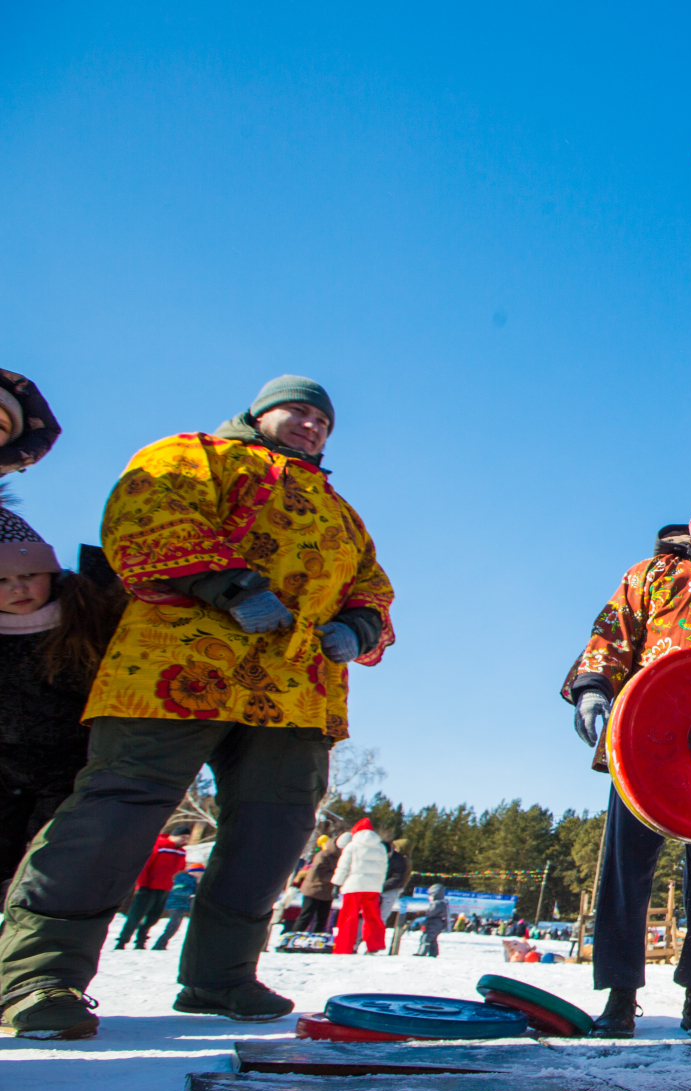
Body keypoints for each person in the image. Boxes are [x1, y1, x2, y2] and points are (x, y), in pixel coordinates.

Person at [0, 375, 395, 1040]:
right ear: (260, 413)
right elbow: (146, 513)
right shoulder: (195, 453)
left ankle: (222, 976)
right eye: (299, 412)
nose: (312, 426)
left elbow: (371, 583)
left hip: (295, 685)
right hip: (176, 663)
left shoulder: (340, 509)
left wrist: (359, 625)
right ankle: (39, 976)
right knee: (118, 810)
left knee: (275, 827)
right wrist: (227, 585)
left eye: (323, 421)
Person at [561, 492, 691, 1038]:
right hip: (647, 745)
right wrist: (593, 689)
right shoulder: (652, 575)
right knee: (627, 869)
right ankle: (620, 997)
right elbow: (611, 633)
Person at [0, 497, 125, 885]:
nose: (19, 588)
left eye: (29, 574)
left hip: (73, 768)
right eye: (2, 581)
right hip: (4, 771)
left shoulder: (90, 613)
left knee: (48, 870)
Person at [113, 830, 188, 949]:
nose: (185, 840)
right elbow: (145, 865)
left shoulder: (181, 852)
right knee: (136, 916)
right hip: (148, 887)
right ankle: (122, 941)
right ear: (173, 836)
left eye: (187, 837)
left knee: (153, 917)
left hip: (165, 888)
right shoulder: (159, 846)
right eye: (182, 837)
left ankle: (141, 941)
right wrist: (142, 884)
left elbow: (180, 870)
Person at [330, 819, 388, 955]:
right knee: (373, 915)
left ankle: (344, 946)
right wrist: (379, 884)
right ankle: (375, 944)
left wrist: (337, 883)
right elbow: (384, 868)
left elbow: (343, 867)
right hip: (373, 887)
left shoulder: (352, 846)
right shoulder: (381, 847)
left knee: (348, 916)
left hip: (354, 885)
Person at [289, 836, 339, 934]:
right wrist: (337, 877)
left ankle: (316, 938)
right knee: (306, 916)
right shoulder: (323, 855)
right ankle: (293, 937)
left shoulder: (340, 856)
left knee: (322, 919)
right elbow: (320, 873)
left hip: (327, 892)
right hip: (313, 889)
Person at [152, 861, 205, 951]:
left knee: (175, 926)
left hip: (182, 905)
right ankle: (159, 945)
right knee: (173, 925)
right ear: (192, 872)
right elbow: (177, 890)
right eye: (198, 872)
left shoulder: (194, 881)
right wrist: (191, 894)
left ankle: (161, 944)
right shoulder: (183, 878)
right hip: (176, 904)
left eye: (201, 873)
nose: (200, 875)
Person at [381, 836, 412, 932]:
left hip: (392, 889)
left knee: (382, 915)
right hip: (390, 888)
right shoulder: (398, 858)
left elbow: (399, 878)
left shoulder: (403, 860)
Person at [417, 884, 449, 956]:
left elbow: (431, 912)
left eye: (430, 896)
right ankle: (433, 953)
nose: (429, 898)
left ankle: (422, 952)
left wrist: (423, 913)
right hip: (437, 924)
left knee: (426, 938)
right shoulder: (442, 903)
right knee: (432, 939)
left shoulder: (436, 903)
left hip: (433, 923)